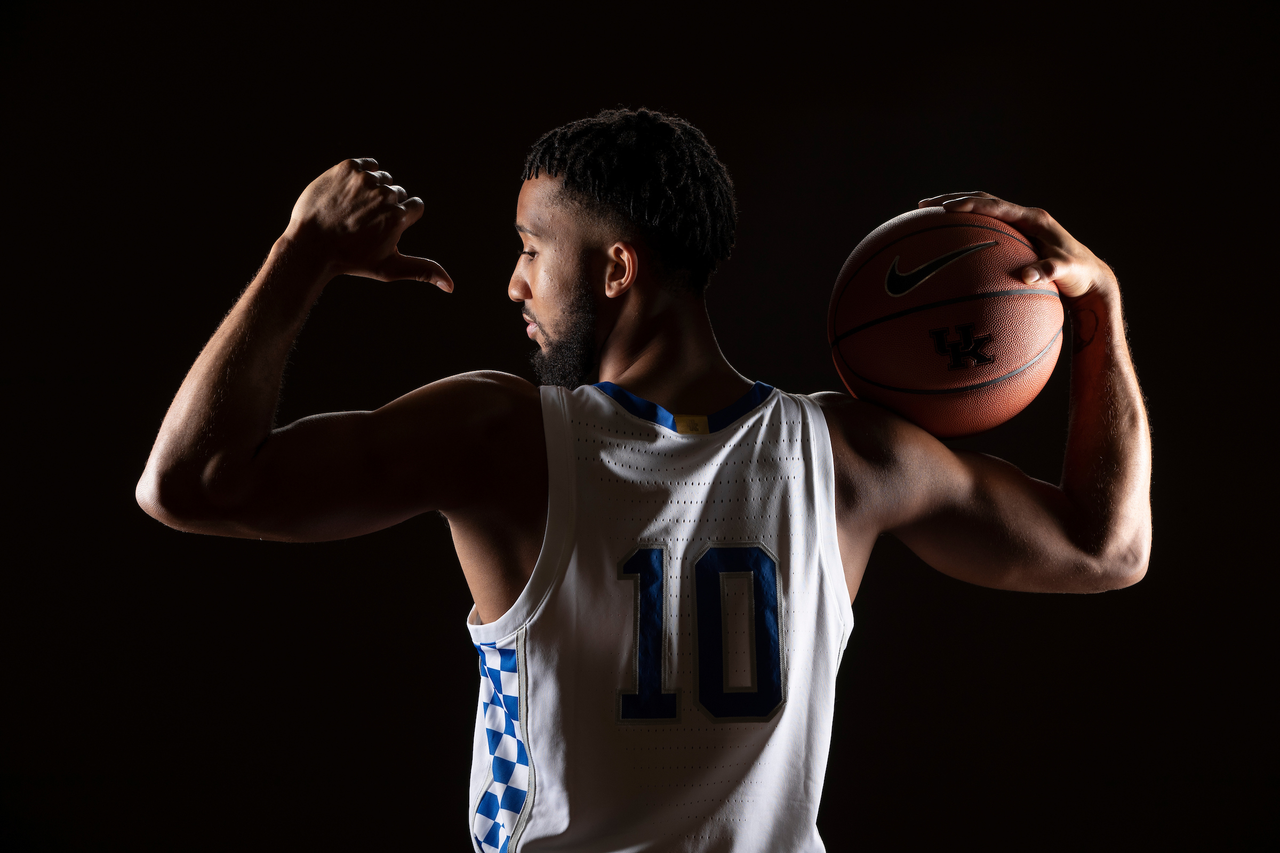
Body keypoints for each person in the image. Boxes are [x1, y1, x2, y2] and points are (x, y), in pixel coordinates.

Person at [137, 108, 1151, 852]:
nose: (515, 283)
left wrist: (303, 252)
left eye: (531, 248)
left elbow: (189, 484)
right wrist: (1096, 308)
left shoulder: (502, 437)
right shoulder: (851, 458)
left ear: (616, 270)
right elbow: (1107, 549)